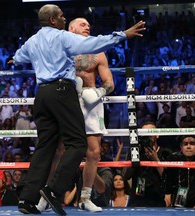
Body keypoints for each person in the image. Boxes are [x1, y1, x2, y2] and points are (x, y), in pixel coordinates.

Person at [11, 4, 145, 215]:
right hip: (63, 92)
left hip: (42, 94)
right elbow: (94, 43)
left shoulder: (33, 40)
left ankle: (26, 199)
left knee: (45, 147)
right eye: (62, 16)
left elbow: (19, 57)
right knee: (77, 143)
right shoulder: (62, 36)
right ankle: (54, 191)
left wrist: (14, 59)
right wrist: (123, 35)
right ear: (53, 20)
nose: (64, 18)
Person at [67, 17, 115, 212]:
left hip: (91, 101)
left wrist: (99, 92)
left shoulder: (97, 52)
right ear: (71, 28)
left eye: (88, 25)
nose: (87, 27)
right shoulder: (61, 49)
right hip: (67, 100)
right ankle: (48, 194)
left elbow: (109, 82)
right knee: (59, 150)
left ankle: (85, 197)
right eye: (82, 24)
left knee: (94, 151)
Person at [123, 121, 173, 207]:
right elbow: (126, 175)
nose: (147, 135)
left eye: (150, 132)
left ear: (157, 135)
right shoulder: (134, 152)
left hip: (157, 199)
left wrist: (156, 160)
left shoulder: (166, 152)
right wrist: (135, 156)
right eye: (144, 133)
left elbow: (168, 179)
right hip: (137, 200)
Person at [165, 135, 195, 209]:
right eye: (185, 144)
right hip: (178, 205)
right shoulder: (174, 162)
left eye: (192, 143)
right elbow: (168, 181)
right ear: (181, 148)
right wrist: (167, 193)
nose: (188, 146)